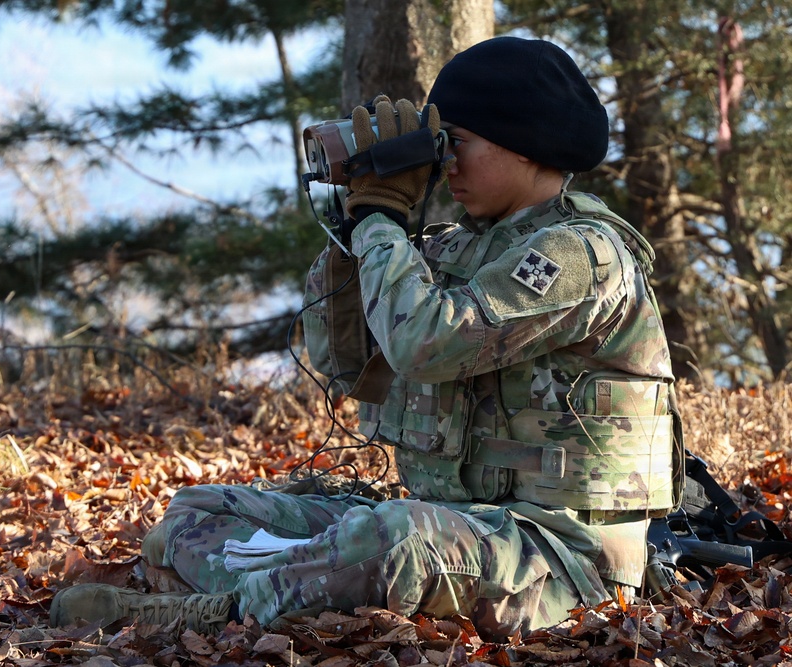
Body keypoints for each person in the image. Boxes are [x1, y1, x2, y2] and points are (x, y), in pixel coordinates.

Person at [49, 36, 682, 640]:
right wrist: (355, 227)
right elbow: (350, 366)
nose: (446, 163)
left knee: (393, 541)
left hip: (562, 553)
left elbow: (424, 344)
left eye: (457, 142)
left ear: (526, 145)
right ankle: (299, 580)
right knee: (198, 513)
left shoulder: (580, 255)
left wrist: (382, 221)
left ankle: (215, 608)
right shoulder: (456, 247)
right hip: (461, 523)